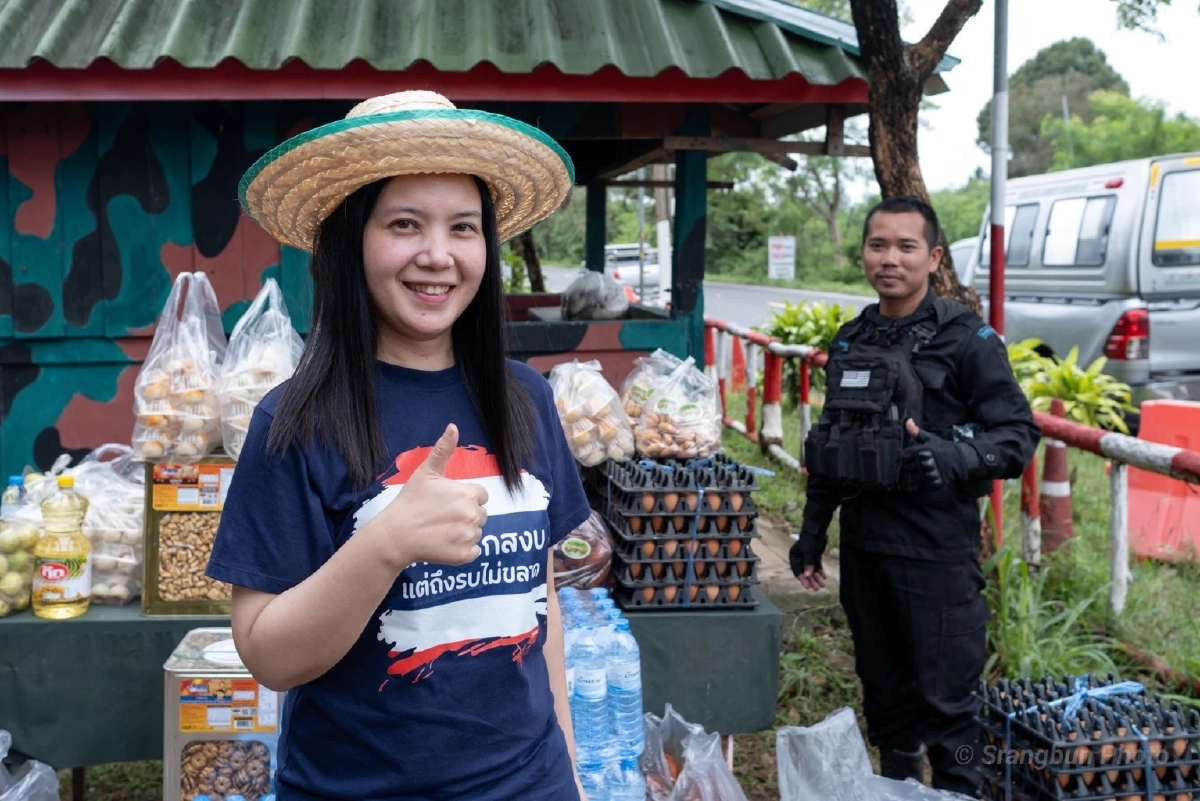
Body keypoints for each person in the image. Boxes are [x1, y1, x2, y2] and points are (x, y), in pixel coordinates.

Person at [205, 90, 591, 800]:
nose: (438, 256)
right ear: (352, 237)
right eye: (405, 224)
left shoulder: (524, 399)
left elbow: (542, 603)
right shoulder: (294, 421)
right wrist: (385, 544)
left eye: (464, 228)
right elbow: (265, 652)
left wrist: (567, 764)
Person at [791, 196, 1039, 796]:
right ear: (863, 255)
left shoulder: (968, 340)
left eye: (906, 247)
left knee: (949, 706)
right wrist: (812, 533)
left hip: (936, 553)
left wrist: (952, 454)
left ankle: (958, 791)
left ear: (933, 257)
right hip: (867, 549)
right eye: (878, 245)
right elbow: (833, 444)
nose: (890, 259)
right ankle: (899, 787)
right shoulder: (851, 342)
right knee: (886, 697)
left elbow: (1018, 435)